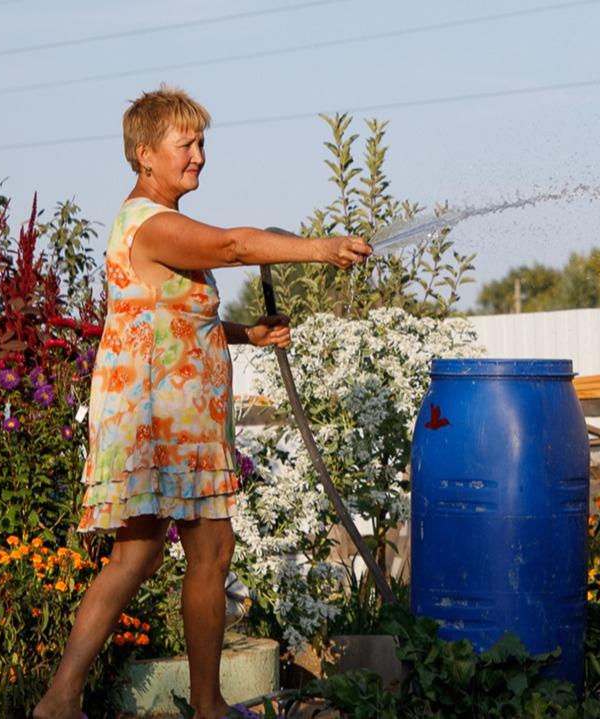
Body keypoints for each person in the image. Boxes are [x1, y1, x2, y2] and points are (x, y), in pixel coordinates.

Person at [33, 85, 371, 719]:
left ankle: (60, 698)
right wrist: (320, 249)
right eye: (185, 144)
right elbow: (234, 246)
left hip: (162, 413)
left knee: (137, 553)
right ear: (145, 154)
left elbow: (169, 317)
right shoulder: (153, 224)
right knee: (210, 549)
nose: (199, 155)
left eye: (201, 142)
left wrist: (244, 332)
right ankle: (210, 705)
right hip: (160, 419)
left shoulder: (152, 222)